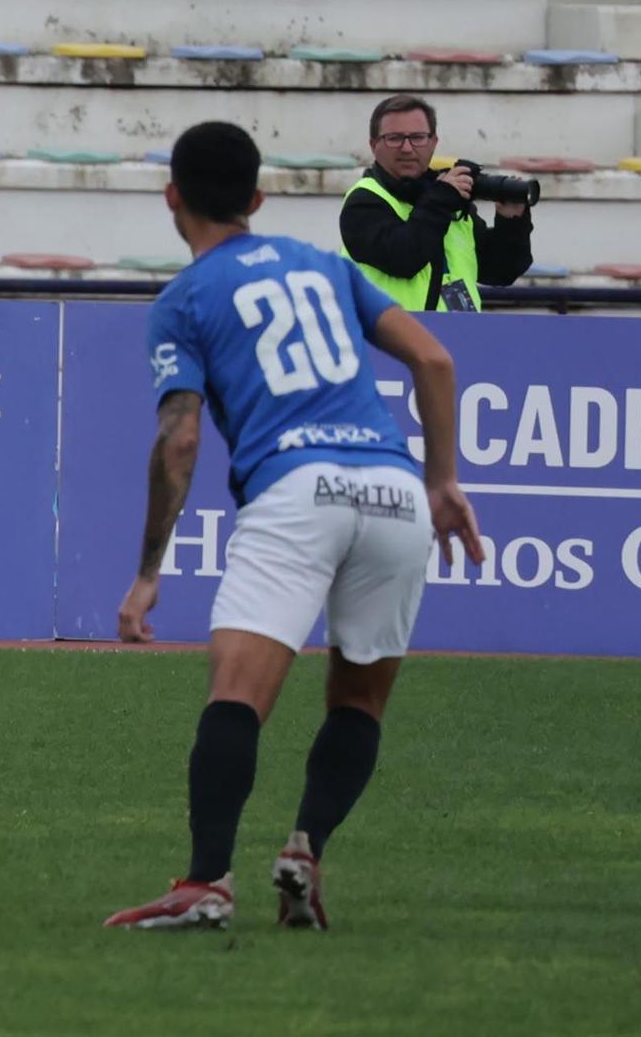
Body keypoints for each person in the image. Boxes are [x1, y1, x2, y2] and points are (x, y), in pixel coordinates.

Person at [106, 121, 484, 931]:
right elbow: (436, 360)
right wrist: (442, 480)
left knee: (238, 695)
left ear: (172, 198)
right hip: (392, 491)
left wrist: (147, 570)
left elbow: (180, 436)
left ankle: (207, 881)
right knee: (359, 699)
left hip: (296, 486)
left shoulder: (183, 301)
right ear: (258, 198)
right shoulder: (325, 266)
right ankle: (305, 850)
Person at [340, 94, 532, 312]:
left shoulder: (445, 200)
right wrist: (440, 199)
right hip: (387, 342)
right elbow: (404, 259)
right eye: (394, 138)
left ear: (433, 143)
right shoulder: (364, 200)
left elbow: (501, 271)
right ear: (374, 146)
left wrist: (511, 221)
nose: (406, 148)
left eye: (418, 137)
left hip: (459, 339)